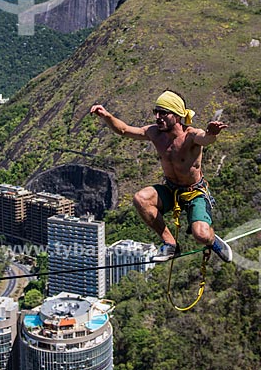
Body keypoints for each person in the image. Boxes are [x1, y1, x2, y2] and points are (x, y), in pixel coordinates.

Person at [90, 90, 232, 263]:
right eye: (156, 112)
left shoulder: (191, 136)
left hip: (195, 192)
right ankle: (170, 244)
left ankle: (214, 241)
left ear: (177, 115)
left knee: (201, 235)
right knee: (141, 199)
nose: (158, 117)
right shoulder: (155, 133)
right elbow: (124, 130)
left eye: (163, 113)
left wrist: (212, 133)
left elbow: (206, 139)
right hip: (171, 189)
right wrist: (106, 115)